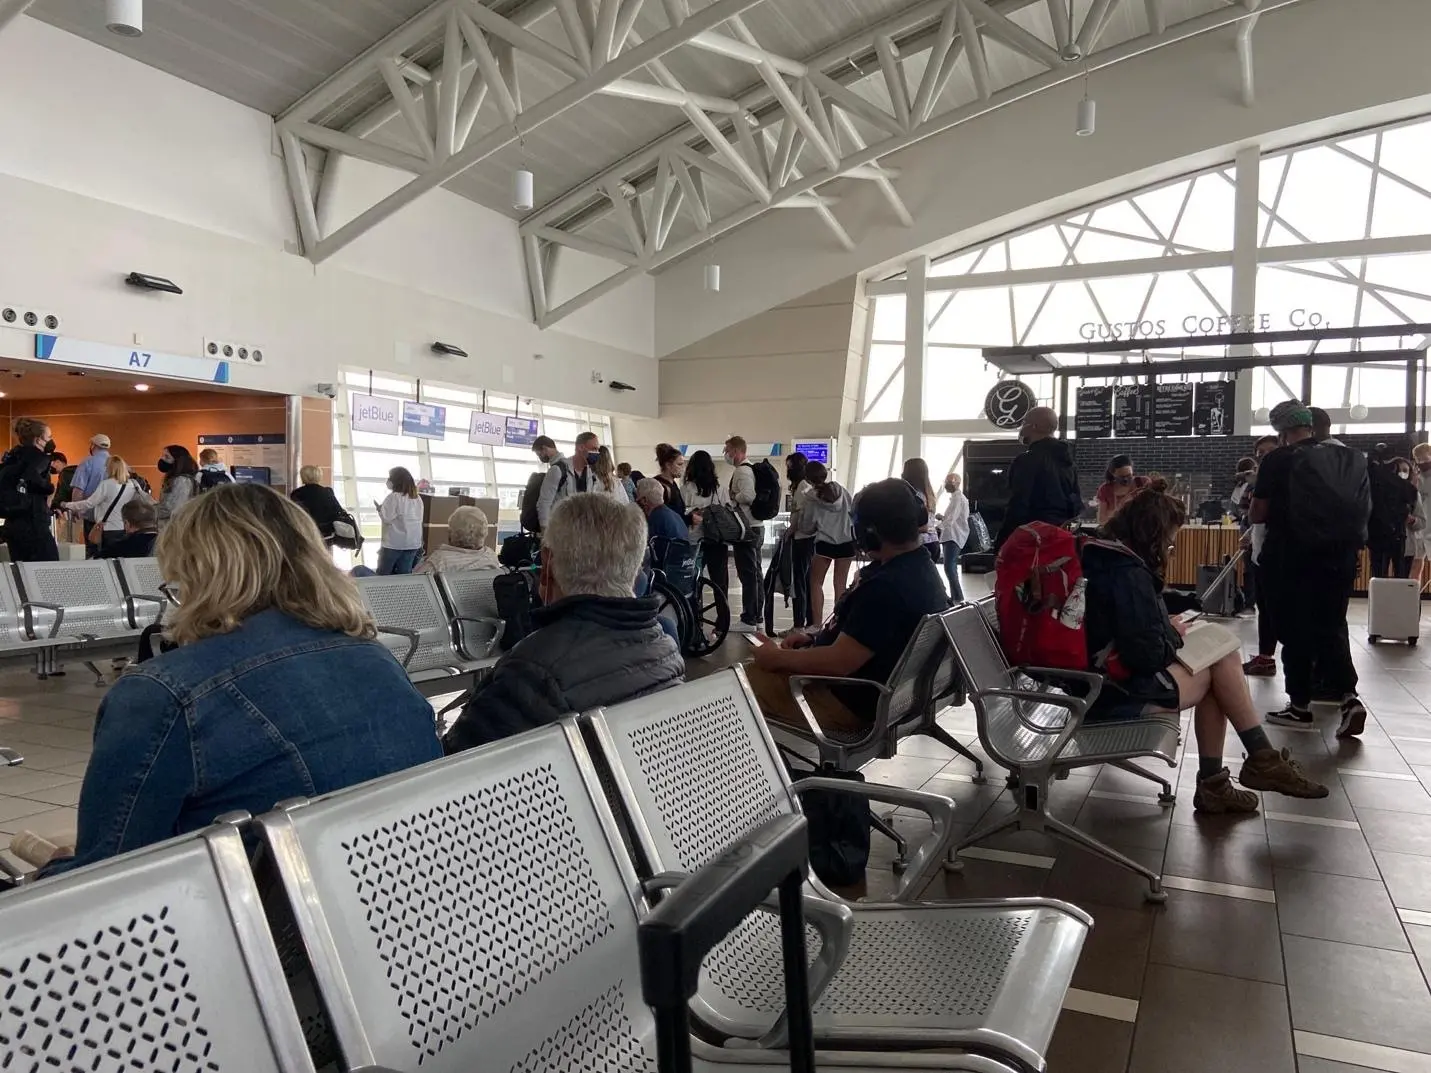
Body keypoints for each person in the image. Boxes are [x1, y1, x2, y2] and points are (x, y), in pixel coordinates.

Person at [27, 483, 441, 879]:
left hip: (256, 935)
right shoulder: (375, 659)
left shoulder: (165, 693)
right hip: (388, 914)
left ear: (201, 576)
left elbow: (111, 878)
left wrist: (50, 869)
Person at [1080, 482, 1327, 813]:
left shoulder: (1103, 556)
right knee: (1219, 669)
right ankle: (1239, 770)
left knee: (1220, 657)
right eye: (1169, 537)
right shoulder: (1126, 572)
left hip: (1092, 681)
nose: (1169, 545)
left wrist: (1168, 616)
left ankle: (1240, 771)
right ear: (1152, 532)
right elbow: (1148, 654)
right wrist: (1173, 632)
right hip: (1112, 695)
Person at [441, 494, 683, 752]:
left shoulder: (531, 670)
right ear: (634, 568)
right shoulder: (664, 645)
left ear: (547, 563)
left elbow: (455, 764)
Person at [746, 478, 949, 735]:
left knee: (735, 686)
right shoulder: (920, 568)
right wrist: (814, 638)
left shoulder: (886, 588)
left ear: (869, 534)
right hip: (891, 696)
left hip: (849, 702)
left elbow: (838, 662)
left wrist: (777, 658)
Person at [1252, 400, 1369, 736]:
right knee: (1332, 626)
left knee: (1294, 631)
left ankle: (1300, 706)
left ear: (1282, 429)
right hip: (1340, 557)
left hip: (1291, 557)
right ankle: (1349, 697)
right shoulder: (1345, 456)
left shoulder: (1279, 458)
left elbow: (1259, 512)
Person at [995, 406, 1082, 547]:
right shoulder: (1068, 463)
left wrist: (1002, 544)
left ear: (1034, 426)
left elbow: (1018, 505)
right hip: (1061, 540)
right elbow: (1076, 504)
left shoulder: (1026, 461)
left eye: (1024, 423)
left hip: (1033, 541)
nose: (1022, 428)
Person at [0, 417, 59, 562]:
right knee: (48, 570)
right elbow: (32, 478)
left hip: (13, 524)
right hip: (35, 523)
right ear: (39, 440)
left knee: (21, 571)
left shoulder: (12, 458)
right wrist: (49, 488)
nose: (51, 440)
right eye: (49, 437)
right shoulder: (40, 458)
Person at [804, 462, 855, 628]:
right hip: (847, 542)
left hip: (825, 543)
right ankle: (838, 624)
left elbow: (808, 525)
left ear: (807, 478)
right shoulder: (842, 490)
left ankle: (817, 625)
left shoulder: (811, 497)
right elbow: (853, 512)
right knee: (840, 584)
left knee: (816, 583)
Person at [61, 454, 141, 555]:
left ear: (111, 468)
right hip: (124, 528)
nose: (105, 469)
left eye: (107, 466)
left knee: (104, 558)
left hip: (107, 529)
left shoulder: (106, 484)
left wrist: (67, 505)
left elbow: (89, 503)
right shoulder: (133, 484)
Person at [724, 435, 765, 633]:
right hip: (755, 527)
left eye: (728, 450)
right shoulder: (749, 470)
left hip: (747, 528)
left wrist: (733, 496)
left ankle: (749, 618)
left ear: (738, 451)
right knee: (755, 574)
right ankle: (757, 616)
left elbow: (748, 495)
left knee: (748, 575)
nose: (726, 454)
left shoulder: (742, 471)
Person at [681, 449, 730, 595]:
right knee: (720, 582)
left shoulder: (685, 490)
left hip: (694, 540)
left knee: (694, 580)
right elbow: (727, 512)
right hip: (717, 540)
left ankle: (695, 614)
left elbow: (681, 514)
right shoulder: (720, 490)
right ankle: (723, 616)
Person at [1367, 443, 1416, 579]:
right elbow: (1412, 499)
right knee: (1400, 574)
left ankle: (1378, 600)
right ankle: (1398, 600)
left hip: (1375, 534)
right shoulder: (1405, 486)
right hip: (1398, 534)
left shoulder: (1370, 481)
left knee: (1378, 575)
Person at [536, 430, 600, 530]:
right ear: (581, 447)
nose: (596, 453)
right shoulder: (558, 470)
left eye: (597, 450)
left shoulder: (591, 475)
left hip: (582, 532)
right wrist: (546, 534)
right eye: (594, 449)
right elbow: (544, 503)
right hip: (561, 531)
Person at [416, 506, 499, 573]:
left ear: (453, 532)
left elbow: (415, 586)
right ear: (483, 532)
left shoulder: (440, 560)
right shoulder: (490, 556)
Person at [375, 466, 424, 574]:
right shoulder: (417, 498)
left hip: (393, 543)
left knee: (383, 575)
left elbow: (387, 518)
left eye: (390, 478)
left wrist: (380, 510)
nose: (388, 481)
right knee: (404, 575)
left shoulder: (394, 497)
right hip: (413, 543)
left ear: (396, 481)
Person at [785, 452, 815, 633]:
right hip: (809, 541)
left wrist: (789, 532)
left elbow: (797, 516)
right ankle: (809, 622)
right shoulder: (806, 487)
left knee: (799, 583)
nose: (788, 470)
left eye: (789, 467)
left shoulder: (801, 488)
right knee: (808, 581)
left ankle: (798, 625)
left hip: (802, 540)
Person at [69, 433, 112, 542]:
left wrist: (75, 508)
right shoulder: (118, 464)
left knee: (92, 548)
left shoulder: (87, 462)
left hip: (92, 515)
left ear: (93, 445)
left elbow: (78, 489)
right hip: (113, 517)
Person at [900, 457, 941, 563]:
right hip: (933, 542)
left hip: (919, 544)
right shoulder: (929, 494)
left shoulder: (912, 495)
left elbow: (921, 526)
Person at [937, 472, 970, 601]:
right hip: (954, 535)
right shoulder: (957, 498)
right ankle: (956, 596)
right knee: (951, 567)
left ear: (955, 482)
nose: (946, 484)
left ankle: (957, 597)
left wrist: (935, 528)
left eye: (948, 482)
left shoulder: (958, 498)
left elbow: (951, 519)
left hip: (953, 536)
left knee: (949, 567)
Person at [290, 465, 347, 540]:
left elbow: (292, 514)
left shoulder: (296, 493)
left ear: (304, 477)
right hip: (326, 533)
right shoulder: (327, 491)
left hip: (305, 532)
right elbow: (337, 511)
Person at [1095, 454, 1150, 525]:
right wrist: (1120, 506)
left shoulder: (1143, 482)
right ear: (1112, 474)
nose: (1126, 479)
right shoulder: (1105, 489)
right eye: (1121, 477)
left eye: (1129, 475)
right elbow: (1102, 520)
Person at [155, 445, 200, 529]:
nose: (162, 459)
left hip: (174, 529)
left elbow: (174, 508)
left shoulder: (182, 481)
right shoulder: (175, 479)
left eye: (167, 457)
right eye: (162, 456)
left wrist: (151, 511)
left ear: (178, 461)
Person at [636, 476, 687, 542]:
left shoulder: (655, 519)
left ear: (644, 500)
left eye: (637, 497)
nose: (636, 501)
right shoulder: (674, 515)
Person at [1410, 443, 1431, 589]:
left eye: (1424, 458)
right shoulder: (1414, 476)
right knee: (1416, 564)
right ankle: (1411, 595)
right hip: (1418, 529)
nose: (1421, 462)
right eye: (1418, 459)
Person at [654, 443, 686, 511]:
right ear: (668, 465)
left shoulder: (672, 483)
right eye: (679, 464)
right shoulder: (660, 487)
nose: (683, 468)